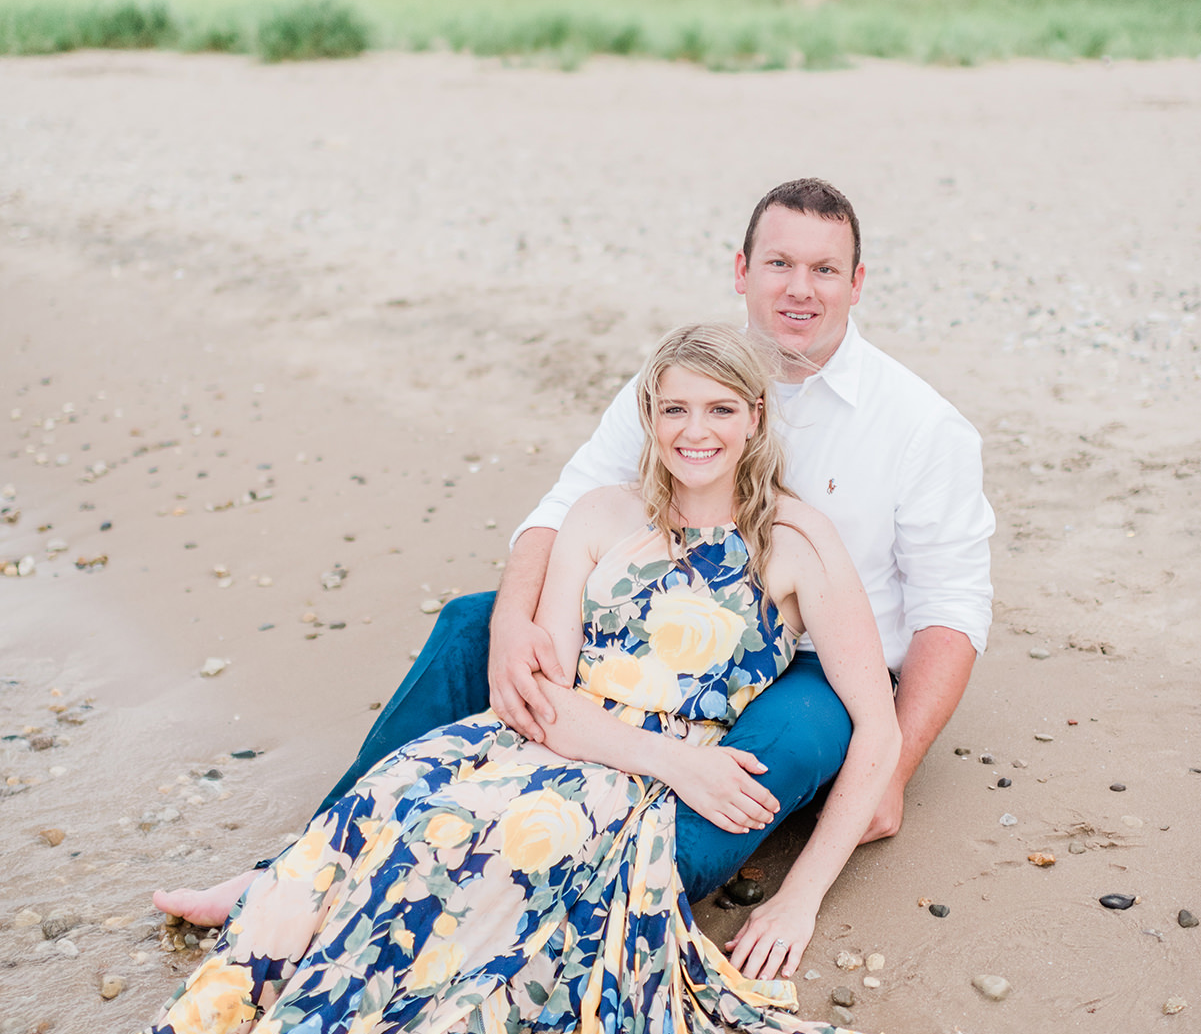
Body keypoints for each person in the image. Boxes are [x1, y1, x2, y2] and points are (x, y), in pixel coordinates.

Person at [18, 325, 898, 1034]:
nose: (696, 431)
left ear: (755, 420)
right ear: (649, 419)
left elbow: (876, 725)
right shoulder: (602, 517)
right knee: (371, 817)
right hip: (571, 746)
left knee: (460, 873)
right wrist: (674, 756)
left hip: (618, 800)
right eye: (675, 409)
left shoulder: (791, 543)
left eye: (719, 410)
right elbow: (553, 698)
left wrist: (802, 895)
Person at [157, 176, 993, 929]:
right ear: (741, 270)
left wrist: (894, 771)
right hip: (666, 625)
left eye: (823, 269)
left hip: (816, 661)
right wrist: (518, 620)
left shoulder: (919, 426)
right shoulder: (686, 379)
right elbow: (567, 504)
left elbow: (949, 609)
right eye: (779, 263)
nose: (799, 289)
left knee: (796, 739)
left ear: (856, 283)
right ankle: (299, 873)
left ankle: (587, 907)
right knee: (470, 626)